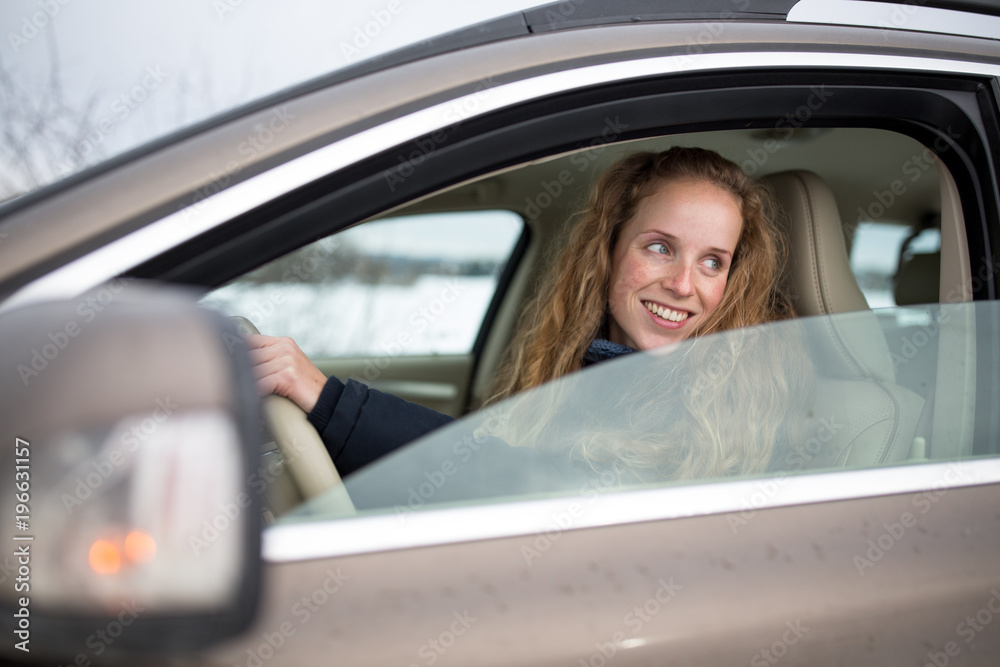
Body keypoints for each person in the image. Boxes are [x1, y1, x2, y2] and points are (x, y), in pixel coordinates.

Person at [246, 146, 806, 491]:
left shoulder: (729, 405)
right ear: (608, 250)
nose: (684, 285)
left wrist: (331, 401)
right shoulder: (587, 368)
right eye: (660, 248)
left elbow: (520, 482)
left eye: (713, 262)